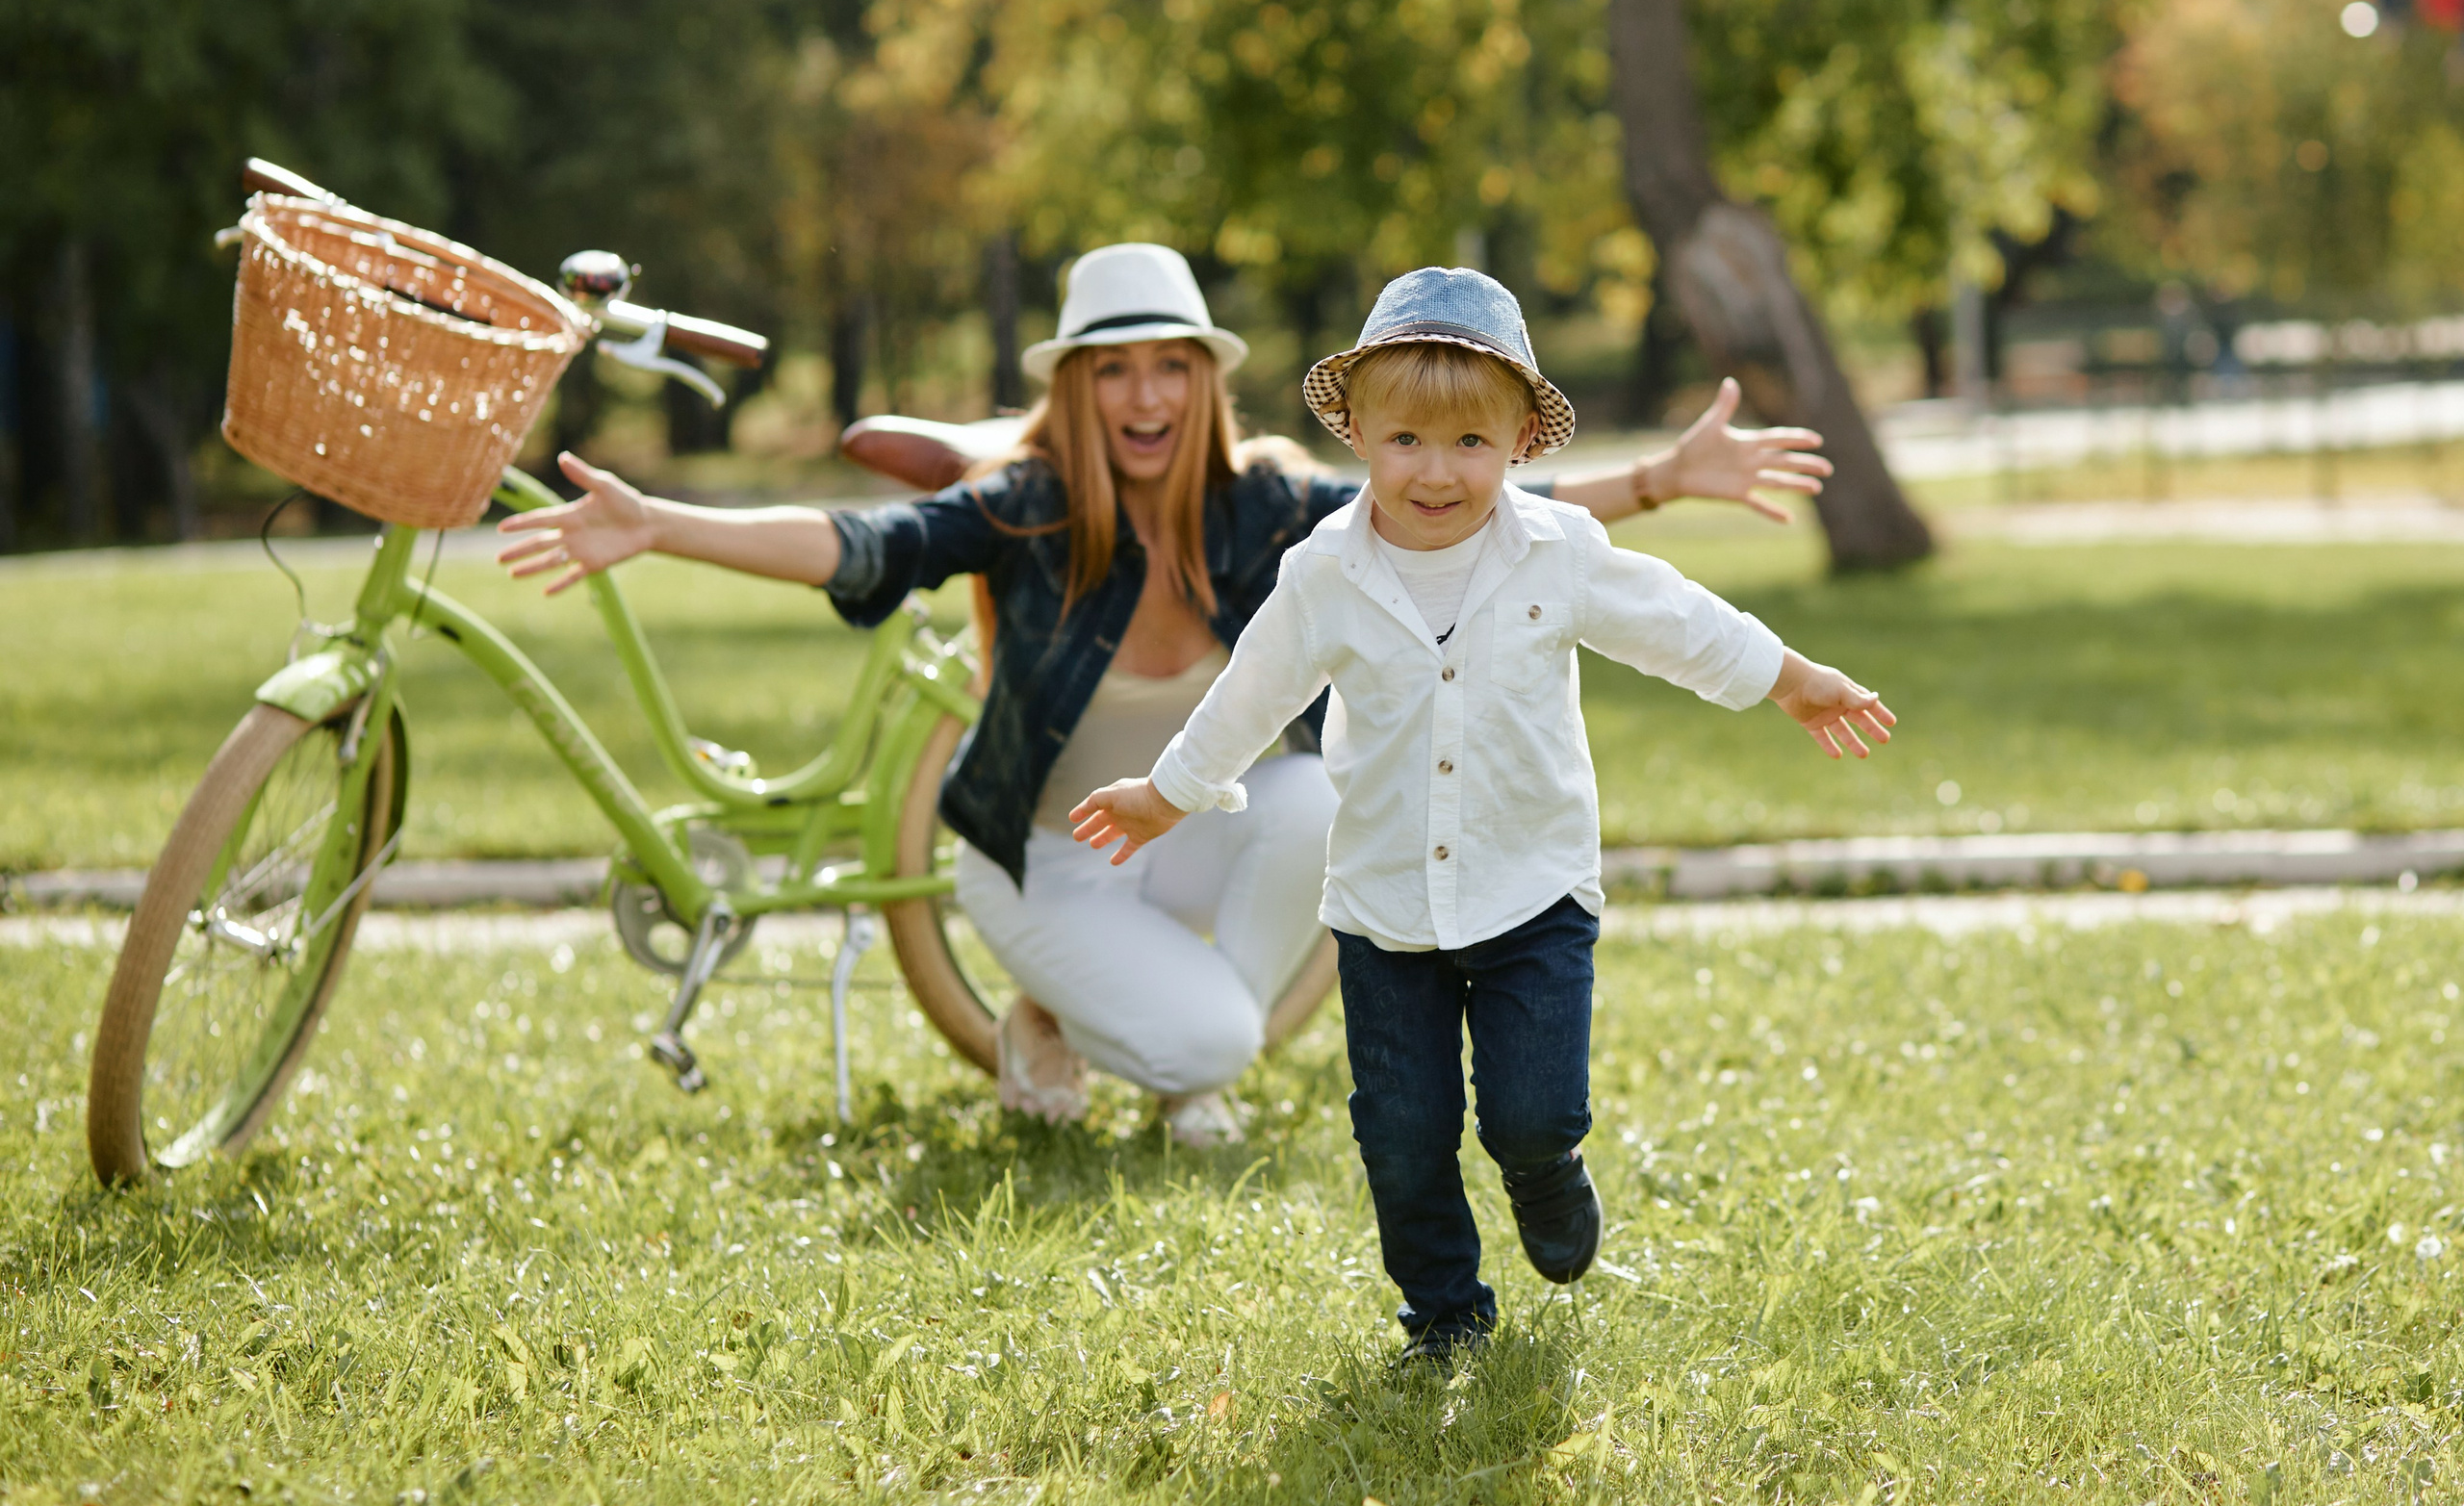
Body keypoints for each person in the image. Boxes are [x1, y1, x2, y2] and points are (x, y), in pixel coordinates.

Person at [497, 244, 1835, 1148]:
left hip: (1192, 838)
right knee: (1215, 1035)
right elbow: (860, 545)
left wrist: (1663, 477)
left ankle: (1150, 1044)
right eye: (1115, 367)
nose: (1145, 392)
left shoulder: (1266, 506)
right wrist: (661, 522)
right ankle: (1112, 1024)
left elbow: (1480, 495)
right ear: (1081, 388)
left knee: (1315, 788)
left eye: (1171, 365)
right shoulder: (1029, 508)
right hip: (1044, 859)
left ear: (1205, 381)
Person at [1068, 267, 1895, 1363]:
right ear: (1356, 431)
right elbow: (1252, 690)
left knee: (1527, 1113)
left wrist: (1785, 675)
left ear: (1519, 445)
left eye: (1470, 444)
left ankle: (1547, 1170)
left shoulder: (1557, 552)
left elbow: (1673, 618)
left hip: (1533, 891)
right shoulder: (1322, 573)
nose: (1437, 470)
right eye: (1406, 438)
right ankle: (1445, 1313)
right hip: (1384, 906)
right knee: (1402, 1136)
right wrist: (1168, 794)